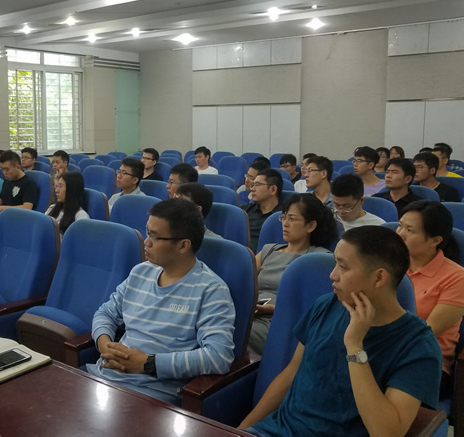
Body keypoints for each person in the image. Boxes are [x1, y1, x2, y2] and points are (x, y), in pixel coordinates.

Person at [239, 225, 441, 436]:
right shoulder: (326, 305)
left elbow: (387, 432)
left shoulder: (418, 345)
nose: (332, 275)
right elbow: (290, 374)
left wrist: (355, 347)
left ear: (379, 278)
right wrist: (240, 431)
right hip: (275, 430)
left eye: (343, 267)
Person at [86, 198, 235, 405]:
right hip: (102, 377)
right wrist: (105, 345)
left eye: (155, 237)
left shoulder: (211, 290)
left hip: (151, 394)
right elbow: (106, 313)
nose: (146, 242)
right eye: (148, 233)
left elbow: (219, 357)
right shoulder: (141, 272)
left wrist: (148, 363)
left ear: (183, 245)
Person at [245, 193, 336, 354]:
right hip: (251, 314)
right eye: (284, 217)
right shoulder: (268, 250)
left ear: (311, 226)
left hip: (282, 324)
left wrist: (272, 309)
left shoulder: (319, 259)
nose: (285, 224)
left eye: (292, 219)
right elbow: (244, 285)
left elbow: (314, 309)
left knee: (229, 332)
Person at [397, 200, 464, 399]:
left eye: (409, 230)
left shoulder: (457, 278)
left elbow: (426, 332)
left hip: (426, 362)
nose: (400, 234)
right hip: (384, 351)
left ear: (435, 240)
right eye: (400, 225)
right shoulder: (391, 266)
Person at [241, 169, 283, 253]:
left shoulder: (284, 217)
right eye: (253, 185)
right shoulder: (243, 211)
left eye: (258, 185)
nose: (252, 189)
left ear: (273, 189)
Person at [0, 150, 39, 215]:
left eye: (7, 169)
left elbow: (27, 207)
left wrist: (2, 208)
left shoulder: (29, 184)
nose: (4, 173)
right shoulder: (7, 181)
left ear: (18, 167)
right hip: (3, 215)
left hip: (17, 217)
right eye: (2, 169)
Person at [46, 171, 89, 236]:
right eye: (57, 186)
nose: (56, 190)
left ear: (72, 189)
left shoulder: (80, 217)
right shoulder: (52, 208)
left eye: (61, 186)